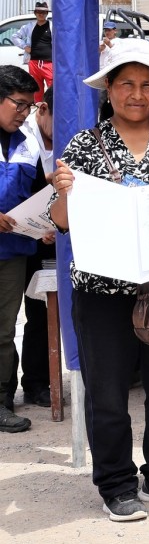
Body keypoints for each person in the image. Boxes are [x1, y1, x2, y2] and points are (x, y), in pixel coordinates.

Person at [47, 40, 149, 520]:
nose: (137, 94)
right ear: (110, 90)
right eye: (126, 84)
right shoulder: (84, 145)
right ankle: (116, 483)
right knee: (108, 392)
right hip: (102, 291)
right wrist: (64, 192)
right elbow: (61, 222)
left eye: (147, 85)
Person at [0, 67, 43, 434]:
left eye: (30, 106)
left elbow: (39, 193)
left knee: (3, 330)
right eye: (19, 104)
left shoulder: (29, 144)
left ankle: (2, 401)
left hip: (12, 252)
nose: (25, 113)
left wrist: (45, 222)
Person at [13, 1, 53, 98]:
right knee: (36, 87)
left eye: (43, 12)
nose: (41, 14)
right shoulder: (29, 26)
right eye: (38, 12)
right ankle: (38, 105)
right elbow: (15, 37)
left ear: (47, 14)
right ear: (35, 13)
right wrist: (25, 47)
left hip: (49, 62)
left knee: (52, 87)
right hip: (34, 62)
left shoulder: (53, 26)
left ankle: (51, 105)